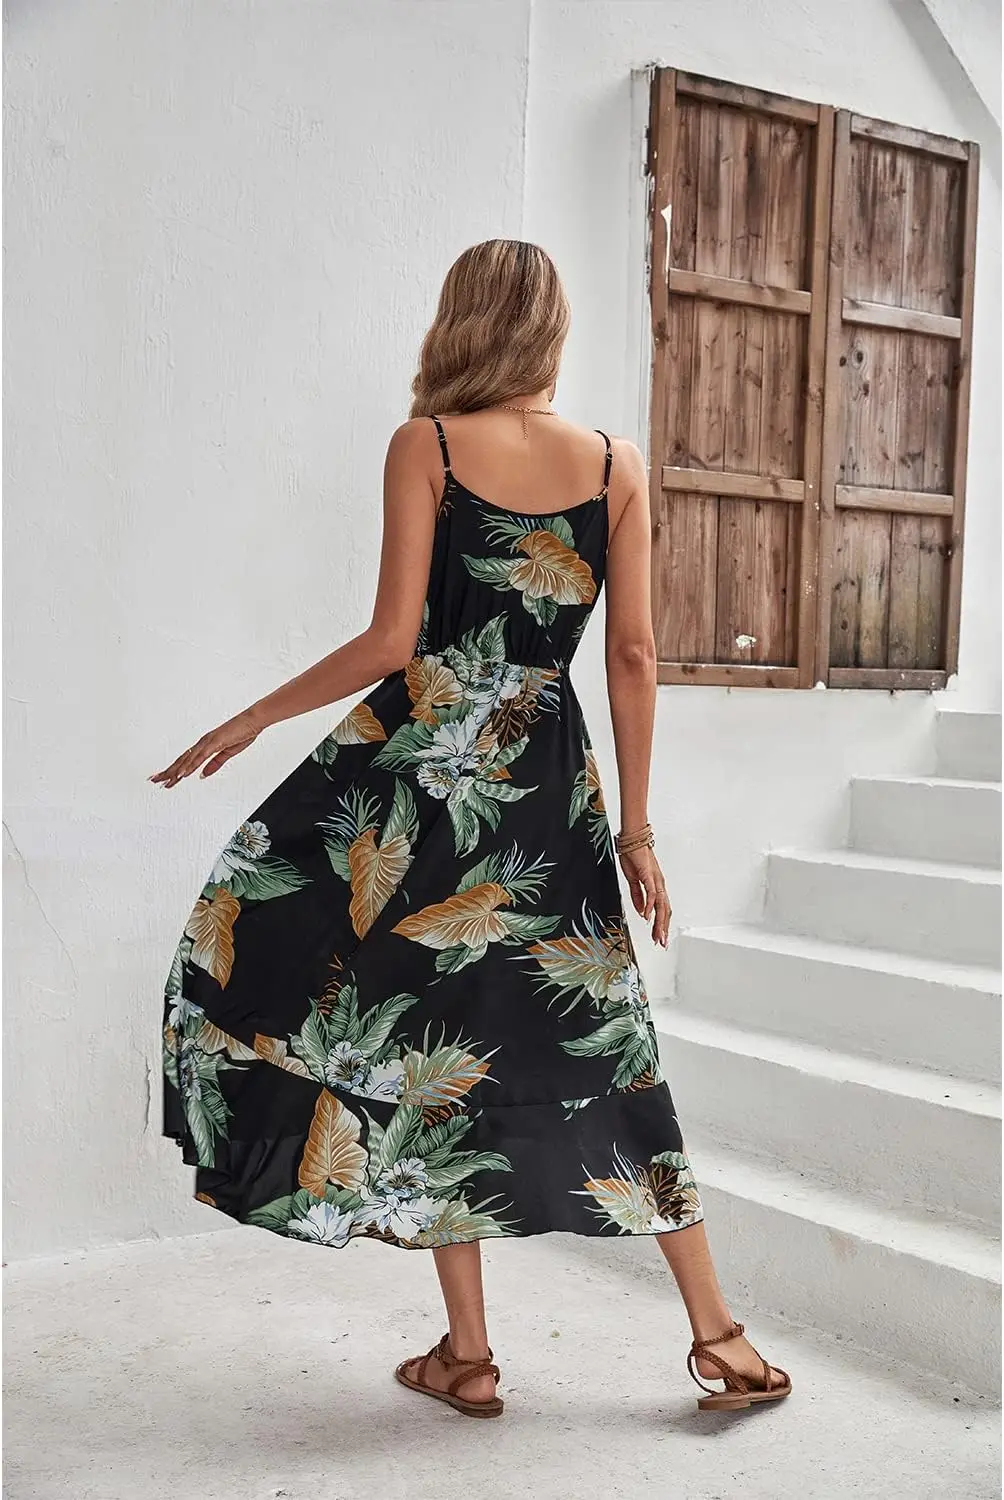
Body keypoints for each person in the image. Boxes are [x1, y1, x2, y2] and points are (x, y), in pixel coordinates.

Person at [151, 239, 790, 1418]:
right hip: (545, 786)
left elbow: (391, 641)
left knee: (407, 1028)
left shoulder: (429, 445)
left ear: (460, 323)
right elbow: (633, 655)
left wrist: (251, 718)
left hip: (426, 776)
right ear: (551, 328)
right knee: (606, 1045)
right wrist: (636, 833)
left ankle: (473, 1355)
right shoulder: (615, 464)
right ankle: (716, 1340)